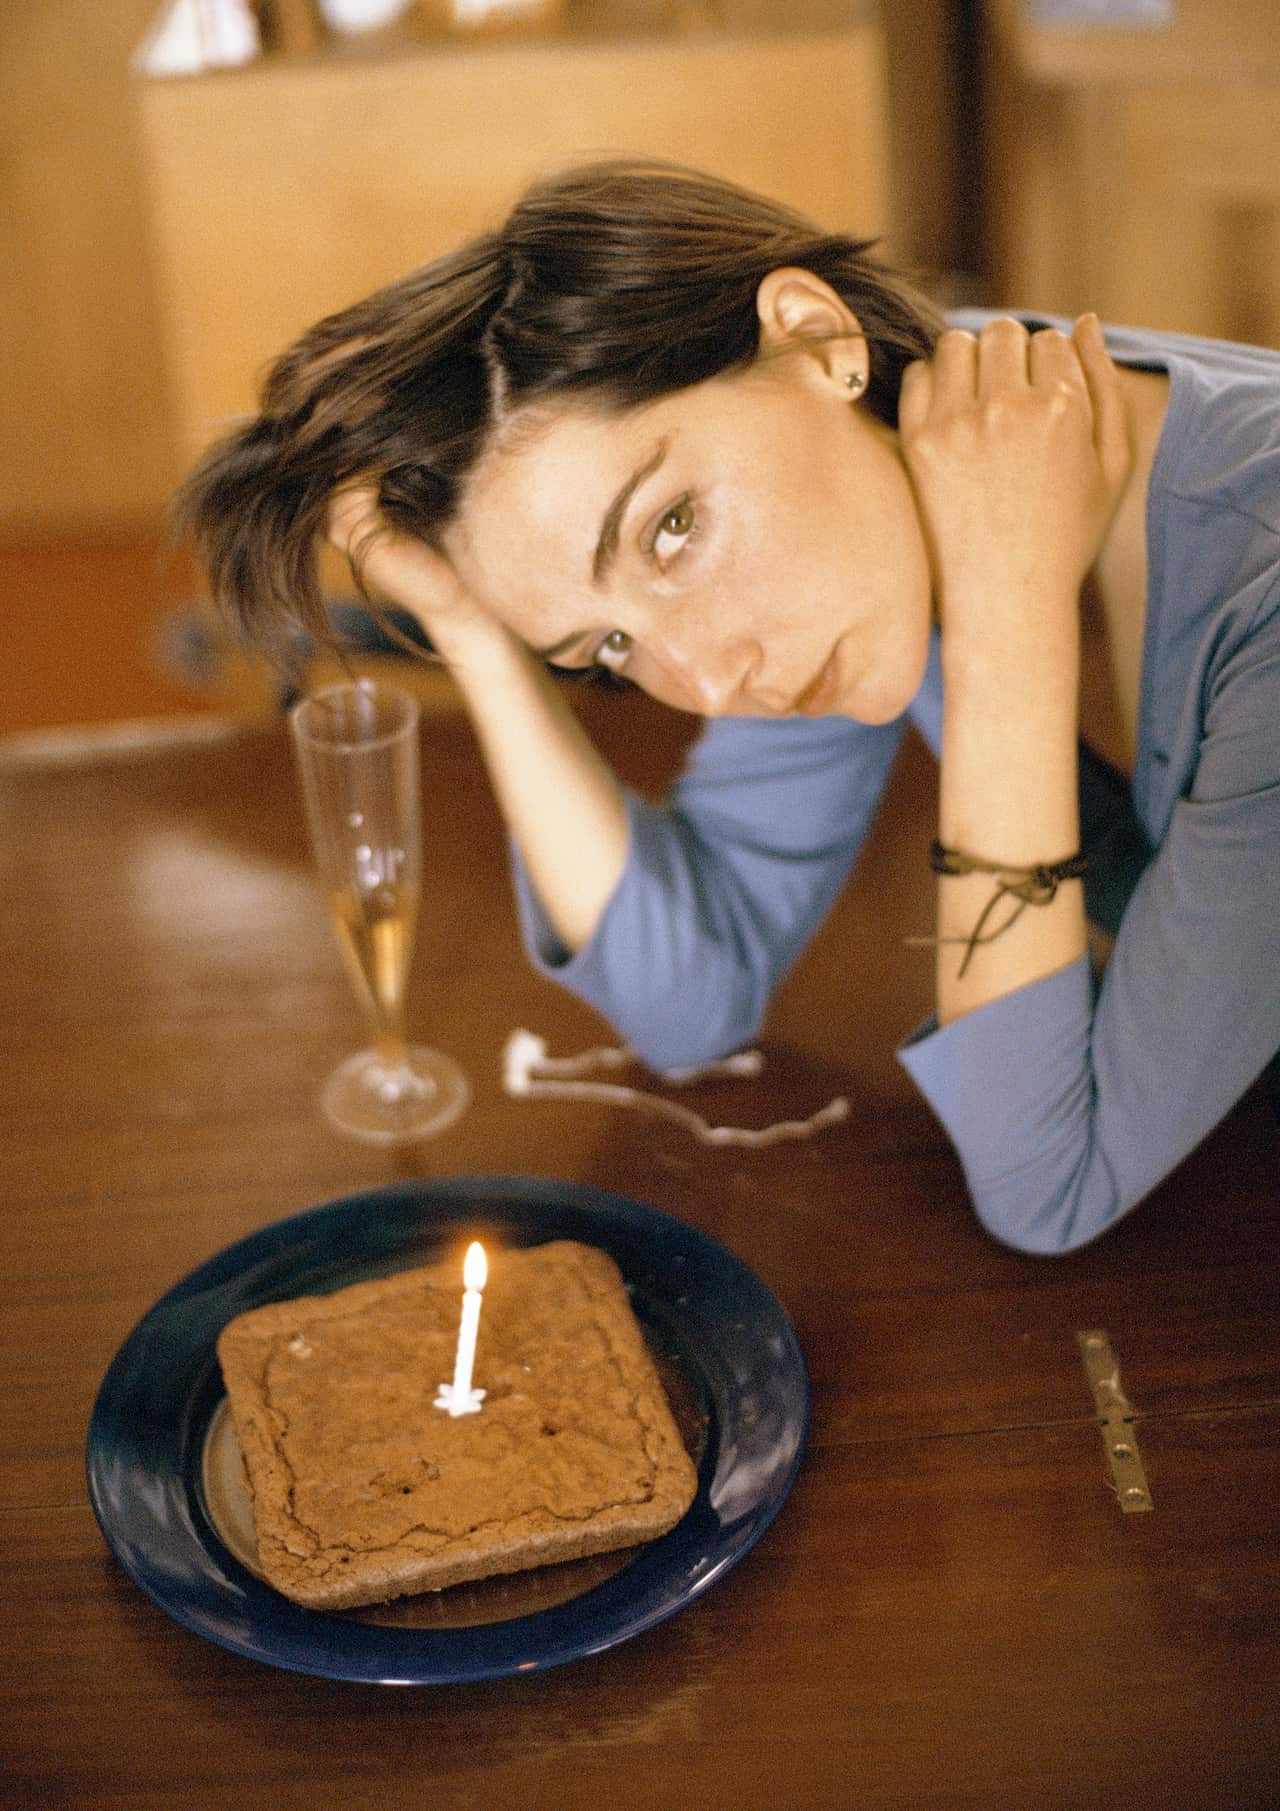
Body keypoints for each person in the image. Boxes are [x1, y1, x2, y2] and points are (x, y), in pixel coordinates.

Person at [178, 159, 1280, 1255]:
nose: (703, 681)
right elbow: (689, 991)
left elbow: (1048, 1181)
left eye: (669, 529)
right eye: (607, 645)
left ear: (814, 337)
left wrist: (1005, 611)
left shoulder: (1170, 559)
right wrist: (473, 627)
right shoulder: (886, 463)